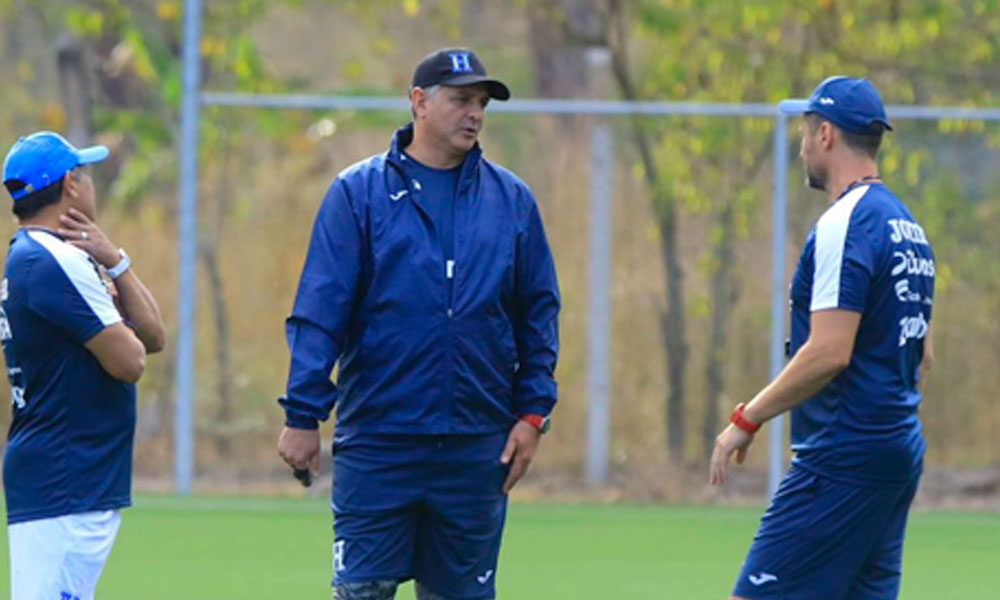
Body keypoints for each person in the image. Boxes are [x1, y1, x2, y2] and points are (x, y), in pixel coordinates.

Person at [277, 47, 560, 600]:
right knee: (362, 591)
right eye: (461, 100)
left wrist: (533, 414)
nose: (475, 114)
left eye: (482, 103)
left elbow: (538, 315)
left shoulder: (512, 200)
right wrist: (303, 414)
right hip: (380, 443)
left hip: (476, 448)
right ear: (419, 102)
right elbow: (321, 311)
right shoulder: (358, 193)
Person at [709, 77, 935, 600]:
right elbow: (923, 354)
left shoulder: (844, 222)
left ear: (827, 134)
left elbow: (830, 351)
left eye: (805, 134)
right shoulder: (908, 227)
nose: (802, 147)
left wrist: (747, 419)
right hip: (896, 449)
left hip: (841, 455)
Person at [1, 131, 166, 599]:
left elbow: (153, 337)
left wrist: (115, 261)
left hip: (67, 478)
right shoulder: (52, 260)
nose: (91, 183)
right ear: (71, 184)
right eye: (85, 173)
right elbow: (131, 361)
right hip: (65, 479)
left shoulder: (36, 255)